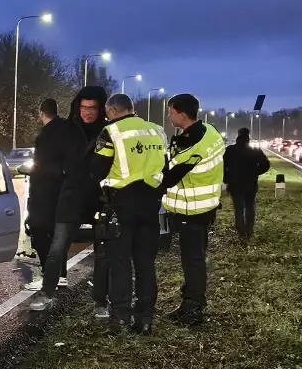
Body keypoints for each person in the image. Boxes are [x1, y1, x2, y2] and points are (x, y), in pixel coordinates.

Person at [89, 94, 168, 334]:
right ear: (131, 109)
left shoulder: (110, 132)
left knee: (120, 263)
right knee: (146, 263)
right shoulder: (157, 131)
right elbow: (165, 166)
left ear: (112, 110)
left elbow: (97, 169)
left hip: (121, 205)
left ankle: (120, 318)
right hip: (150, 204)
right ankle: (145, 319)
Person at [30, 85, 110, 313]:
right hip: (70, 196)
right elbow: (46, 164)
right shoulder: (64, 130)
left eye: (93, 108)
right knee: (58, 247)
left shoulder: (109, 131)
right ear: (77, 107)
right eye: (84, 107)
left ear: (101, 109)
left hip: (101, 197)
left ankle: (102, 303)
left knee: (105, 252)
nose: (88, 112)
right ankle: (47, 293)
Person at [159, 93, 225, 326]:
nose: (169, 116)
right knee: (193, 260)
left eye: (171, 112)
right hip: (204, 208)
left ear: (182, 114)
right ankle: (189, 303)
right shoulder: (209, 131)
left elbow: (167, 178)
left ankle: (193, 309)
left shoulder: (190, 145)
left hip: (191, 211)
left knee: (193, 261)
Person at [24, 98, 74, 290]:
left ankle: (51, 274)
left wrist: (34, 175)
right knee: (57, 234)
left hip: (46, 192)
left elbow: (43, 166)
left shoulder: (46, 136)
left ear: (41, 113)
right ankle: (60, 274)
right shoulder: (67, 130)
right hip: (64, 191)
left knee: (38, 231)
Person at [224, 127, 270, 241]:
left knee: (238, 208)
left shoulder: (231, 150)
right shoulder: (254, 150)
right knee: (250, 206)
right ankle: (249, 230)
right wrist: (256, 172)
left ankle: (241, 231)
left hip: (235, 184)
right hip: (251, 184)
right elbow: (266, 164)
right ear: (248, 137)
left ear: (238, 136)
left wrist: (226, 178)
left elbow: (223, 166)